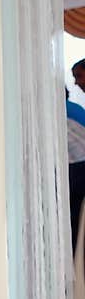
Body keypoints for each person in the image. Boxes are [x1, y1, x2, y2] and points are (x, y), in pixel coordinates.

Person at [66, 86, 85, 254]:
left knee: (72, 216)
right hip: (79, 164)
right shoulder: (73, 110)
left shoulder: (62, 115)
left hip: (78, 167)